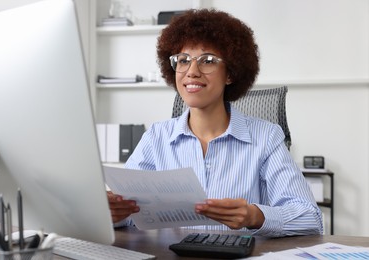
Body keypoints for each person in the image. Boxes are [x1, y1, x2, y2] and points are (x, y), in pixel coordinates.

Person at [107, 8, 323, 237]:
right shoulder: (156, 137)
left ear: (230, 73)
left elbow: (310, 219)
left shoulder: (266, 137)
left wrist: (255, 216)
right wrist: (115, 215)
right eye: (183, 60)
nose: (192, 72)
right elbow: (130, 215)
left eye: (207, 61)